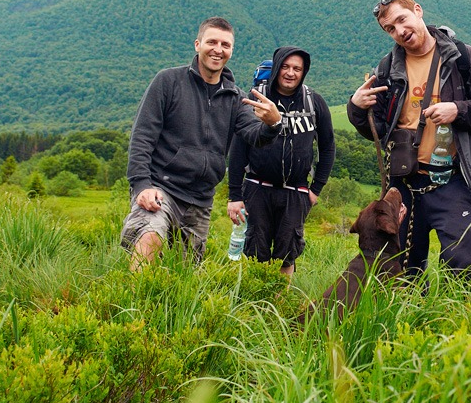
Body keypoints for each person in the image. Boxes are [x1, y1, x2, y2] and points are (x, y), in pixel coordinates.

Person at [348, 0, 471, 279]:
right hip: (404, 182)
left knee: (461, 266)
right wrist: (356, 109)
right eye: (390, 28)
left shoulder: (464, 58)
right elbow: (377, 131)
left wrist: (457, 109)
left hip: (454, 179)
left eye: (402, 20)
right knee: (404, 268)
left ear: (418, 10)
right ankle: (411, 321)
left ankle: (462, 319)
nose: (400, 31)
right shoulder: (387, 69)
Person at [120, 17, 283, 270]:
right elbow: (142, 135)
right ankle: (133, 301)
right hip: (161, 187)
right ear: (198, 44)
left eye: (225, 45)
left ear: (231, 51)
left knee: (184, 272)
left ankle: (167, 307)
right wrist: (141, 184)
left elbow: (254, 135)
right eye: (212, 42)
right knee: (149, 236)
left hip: (200, 198)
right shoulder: (168, 82)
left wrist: (272, 124)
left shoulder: (235, 97)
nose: (218, 49)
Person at [226, 47, 336, 278]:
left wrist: (315, 189)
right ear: (276, 68)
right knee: (256, 250)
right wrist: (235, 196)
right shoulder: (255, 99)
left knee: (288, 252)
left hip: (296, 192)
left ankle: (281, 303)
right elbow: (238, 149)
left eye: (297, 68)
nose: (290, 73)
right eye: (285, 67)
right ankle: (254, 302)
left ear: (304, 72)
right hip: (257, 187)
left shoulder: (314, 102)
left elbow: (327, 148)